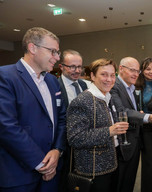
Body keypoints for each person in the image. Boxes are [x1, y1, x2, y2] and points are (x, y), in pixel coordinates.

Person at [0, 27, 66, 192]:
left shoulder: (52, 81)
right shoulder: (5, 76)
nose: (57, 58)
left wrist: (57, 150)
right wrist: (41, 163)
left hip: (52, 171)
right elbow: (6, 126)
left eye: (58, 52)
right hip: (18, 174)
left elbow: (62, 119)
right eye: (53, 51)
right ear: (32, 48)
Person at [66, 58, 128, 192]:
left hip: (112, 163)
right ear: (93, 76)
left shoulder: (107, 97)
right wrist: (109, 131)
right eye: (104, 74)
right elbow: (75, 138)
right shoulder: (82, 101)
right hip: (93, 170)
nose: (109, 79)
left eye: (112, 75)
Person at [110, 57, 152, 192]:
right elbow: (122, 111)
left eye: (137, 71)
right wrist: (147, 116)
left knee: (131, 178)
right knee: (123, 180)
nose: (135, 74)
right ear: (121, 69)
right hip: (127, 137)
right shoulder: (116, 86)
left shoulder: (132, 87)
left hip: (142, 134)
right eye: (132, 70)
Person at [57, 49, 88, 192]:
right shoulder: (55, 86)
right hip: (64, 144)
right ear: (61, 66)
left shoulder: (84, 85)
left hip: (83, 143)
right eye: (72, 67)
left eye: (79, 67)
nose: (77, 71)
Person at [135, 57, 152, 192]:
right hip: (146, 129)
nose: (151, 72)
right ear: (142, 70)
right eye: (147, 69)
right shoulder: (137, 86)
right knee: (150, 163)